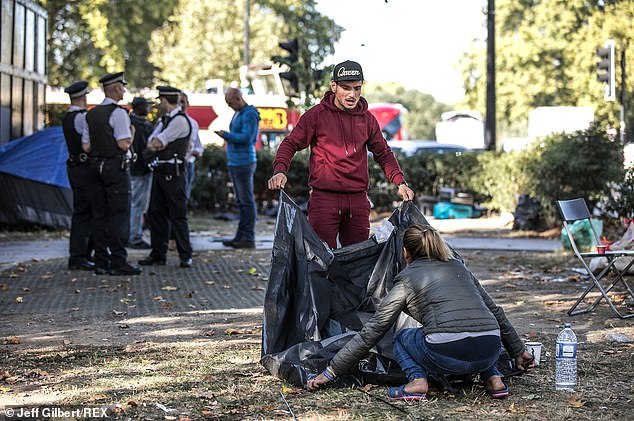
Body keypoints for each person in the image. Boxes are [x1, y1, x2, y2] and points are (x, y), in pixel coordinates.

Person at [307, 224, 536, 400]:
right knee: (476, 327)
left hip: (448, 353)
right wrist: (518, 351)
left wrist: (331, 371)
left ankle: (417, 382)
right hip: (490, 349)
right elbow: (495, 312)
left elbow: (374, 329)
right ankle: (494, 379)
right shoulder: (459, 267)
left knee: (402, 337)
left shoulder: (407, 278)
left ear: (406, 252)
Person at [267, 60, 415, 249]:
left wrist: (400, 182)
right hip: (324, 199)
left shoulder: (368, 119)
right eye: (346, 88)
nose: (352, 94)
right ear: (334, 86)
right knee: (320, 259)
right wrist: (280, 170)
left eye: (357, 88)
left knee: (358, 260)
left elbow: (383, 153)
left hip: (358, 200)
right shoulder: (316, 115)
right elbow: (290, 143)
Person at [82, 72, 141, 276]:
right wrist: (132, 133)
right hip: (114, 168)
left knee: (99, 214)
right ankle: (118, 261)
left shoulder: (90, 114)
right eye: (122, 87)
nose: (124, 91)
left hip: (94, 166)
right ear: (115, 89)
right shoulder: (119, 113)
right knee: (119, 214)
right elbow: (123, 143)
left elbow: (86, 147)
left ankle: (100, 261)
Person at [139, 86, 193, 268]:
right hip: (161, 171)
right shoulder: (164, 121)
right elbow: (150, 143)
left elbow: (157, 142)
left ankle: (185, 255)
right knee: (156, 214)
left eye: (159, 101)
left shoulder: (179, 121)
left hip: (174, 172)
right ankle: (157, 254)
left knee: (177, 215)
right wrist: (156, 145)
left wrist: (157, 145)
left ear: (164, 101)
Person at [216, 87, 260, 249]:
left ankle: (248, 237)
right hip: (235, 162)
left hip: (244, 162)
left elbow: (248, 138)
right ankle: (241, 236)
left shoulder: (249, 114)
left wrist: (226, 136)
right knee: (241, 202)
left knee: (246, 201)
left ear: (238, 98)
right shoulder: (239, 113)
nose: (229, 106)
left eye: (230, 102)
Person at [62, 80, 94, 271]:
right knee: (84, 212)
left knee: (82, 211)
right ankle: (79, 256)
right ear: (83, 97)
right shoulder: (82, 117)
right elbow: (88, 142)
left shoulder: (68, 116)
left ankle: (80, 255)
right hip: (83, 167)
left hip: (74, 166)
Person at [128, 96, 154, 249]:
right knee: (137, 204)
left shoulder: (142, 124)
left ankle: (133, 233)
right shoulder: (137, 126)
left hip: (140, 169)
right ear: (138, 107)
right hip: (139, 169)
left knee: (138, 204)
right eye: (146, 106)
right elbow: (142, 148)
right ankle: (134, 236)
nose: (149, 109)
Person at [179, 92, 203, 201]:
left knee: (185, 195)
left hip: (188, 164)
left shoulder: (193, 124)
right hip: (175, 165)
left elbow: (198, 144)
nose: (181, 105)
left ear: (188, 104)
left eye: (183, 102)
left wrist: (196, 151)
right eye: (179, 102)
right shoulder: (167, 121)